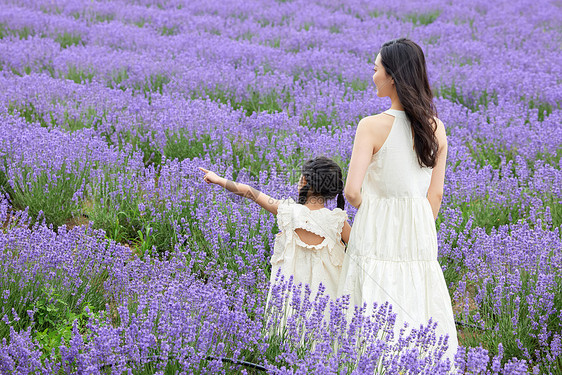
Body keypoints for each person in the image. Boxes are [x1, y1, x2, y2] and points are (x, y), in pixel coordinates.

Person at [338, 38, 459, 362]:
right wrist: (416, 221)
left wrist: (378, 212)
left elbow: (351, 192)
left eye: (376, 68)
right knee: (418, 293)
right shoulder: (437, 129)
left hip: (376, 226)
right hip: (420, 225)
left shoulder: (372, 126)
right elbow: (436, 193)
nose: (373, 74)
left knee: (374, 294)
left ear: (392, 76)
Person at [199, 156, 352, 303]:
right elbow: (360, 250)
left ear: (304, 181)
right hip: (328, 297)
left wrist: (218, 180)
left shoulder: (288, 211)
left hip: (290, 295)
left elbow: (250, 192)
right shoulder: (338, 221)